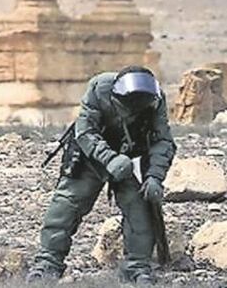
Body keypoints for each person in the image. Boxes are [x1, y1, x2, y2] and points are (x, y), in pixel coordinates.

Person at [27, 66, 176, 284]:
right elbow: (86, 131)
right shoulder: (99, 88)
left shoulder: (156, 99)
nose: (134, 110)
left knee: (140, 210)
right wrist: (109, 159)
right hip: (90, 156)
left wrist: (155, 176)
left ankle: (137, 268)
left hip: (132, 158)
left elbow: (163, 141)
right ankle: (47, 264)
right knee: (65, 206)